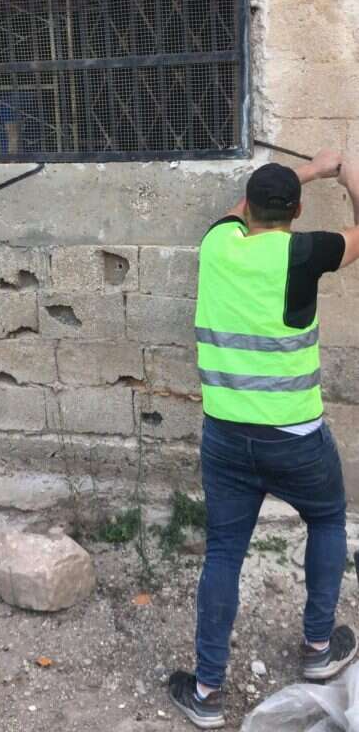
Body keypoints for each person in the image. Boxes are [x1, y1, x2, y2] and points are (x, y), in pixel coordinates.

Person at [169, 149, 359, 729]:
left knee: (224, 553)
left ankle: (206, 693)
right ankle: (318, 652)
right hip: (296, 439)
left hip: (226, 437)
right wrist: (344, 172)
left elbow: (239, 208)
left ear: (247, 208)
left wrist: (302, 169)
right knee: (327, 521)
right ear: (298, 212)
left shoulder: (217, 245)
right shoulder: (304, 252)